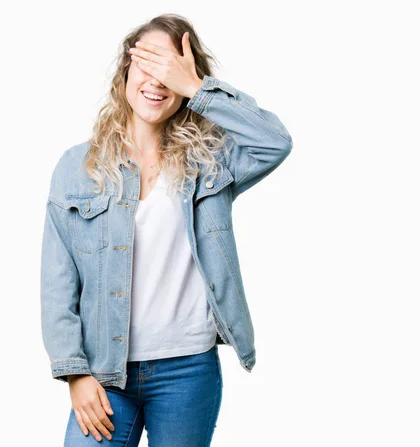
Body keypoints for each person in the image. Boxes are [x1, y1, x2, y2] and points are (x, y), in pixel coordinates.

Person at [40, 13, 293, 446]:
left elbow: (275, 141)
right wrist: (75, 373)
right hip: (104, 371)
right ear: (125, 71)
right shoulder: (77, 167)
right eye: (148, 63)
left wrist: (197, 89)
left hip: (188, 371)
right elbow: (57, 280)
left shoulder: (210, 162)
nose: (158, 81)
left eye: (171, 70)